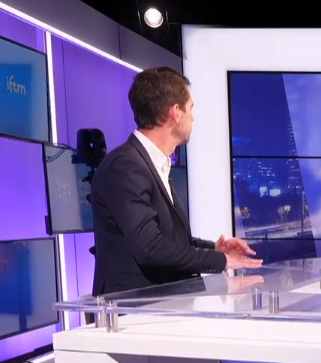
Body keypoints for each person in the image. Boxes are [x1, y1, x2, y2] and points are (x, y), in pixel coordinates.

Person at [90, 66, 261, 295]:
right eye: (191, 108)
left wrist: (216, 249)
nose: (193, 116)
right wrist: (222, 261)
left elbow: (168, 239)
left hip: (160, 306)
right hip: (133, 311)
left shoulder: (150, 162)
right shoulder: (126, 166)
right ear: (176, 112)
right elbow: (151, 247)